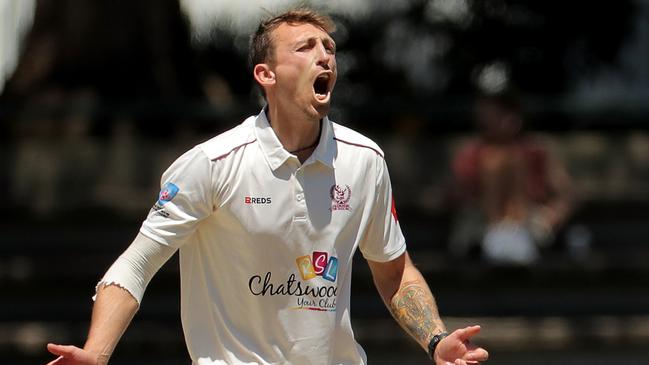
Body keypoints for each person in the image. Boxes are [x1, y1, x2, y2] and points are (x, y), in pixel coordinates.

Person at [46, 8, 488, 365]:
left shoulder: (364, 160)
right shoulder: (211, 164)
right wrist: (96, 352)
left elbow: (393, 270)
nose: (325, 56)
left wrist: (435, 339)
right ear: (266, 75)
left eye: (330, 48)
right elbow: (135, 265)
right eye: (306, 47)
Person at [450, 90, 574, 265]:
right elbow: (456, 195)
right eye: (496, 113)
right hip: (483, 228)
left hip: (530, 226)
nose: (505, 119)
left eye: (507, 111)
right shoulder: (470, 154)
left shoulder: (536, 151)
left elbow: (566, 193)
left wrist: (553, 215)